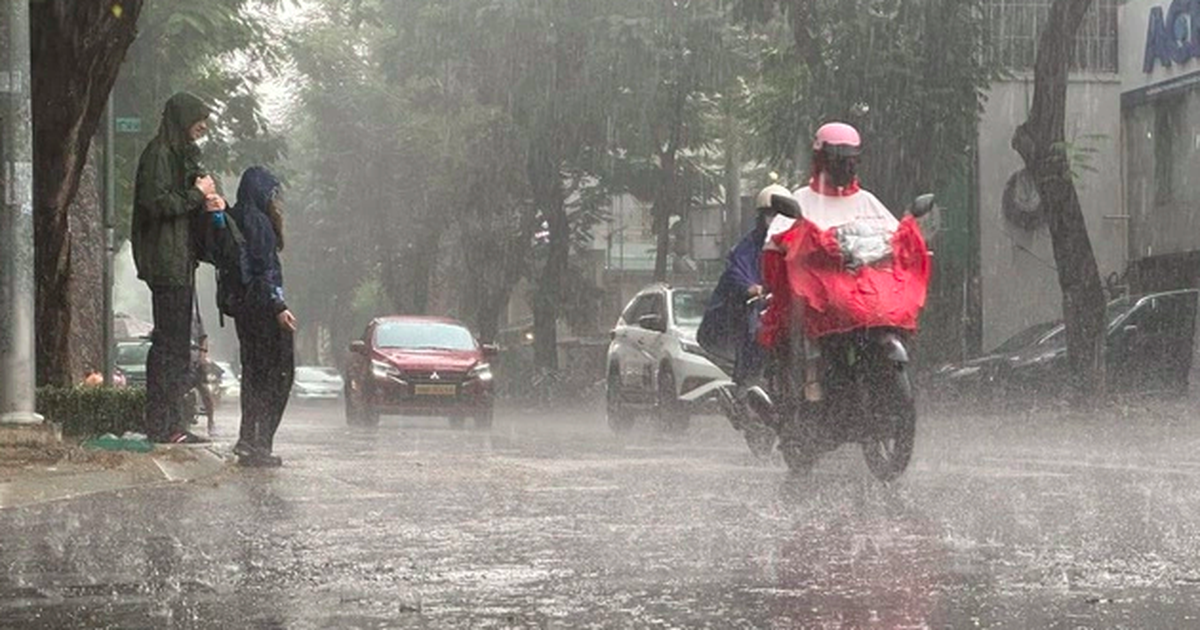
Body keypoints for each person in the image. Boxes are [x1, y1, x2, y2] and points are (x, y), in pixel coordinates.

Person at [759, 121, 901, 400]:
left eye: (851, 161)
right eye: (838, 160)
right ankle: (805, 388)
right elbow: (775, 244)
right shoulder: (801, 200)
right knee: (800, 331)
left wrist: (909, 242)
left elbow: (896, 237)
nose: (845, 167)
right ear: (821, 160)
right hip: (816, 301)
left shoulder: (867, 202)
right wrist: (796, 244)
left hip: (863, 299)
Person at [132, 92, 226, 444]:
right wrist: (196, 195)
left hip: (181, 260)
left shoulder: (182, 156)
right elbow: (156, 204)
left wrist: (209, 198)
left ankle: (173, 423)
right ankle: (163, 425)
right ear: (183, 119)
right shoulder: (159, 155)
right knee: (168, 347)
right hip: (166, 262)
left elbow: (189, 198)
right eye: (199, 120)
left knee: (176, 346)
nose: (203, 128)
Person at [699, 184, 798, 418]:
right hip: (763, 307)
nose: (776, 221)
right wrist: (752, 288)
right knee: (756, 329)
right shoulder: (748, 247)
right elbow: (737, 272)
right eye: (771, 215)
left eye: (783, 216)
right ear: (761, 217)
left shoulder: (800, 242)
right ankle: (749, 384)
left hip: (794, 309)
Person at [230, 166, 296, 468]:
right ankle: (261, 442)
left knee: (254, 374)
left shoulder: (235, 217)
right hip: (263, 308)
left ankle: (248, 438)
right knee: (277, 375)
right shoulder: (258, 223)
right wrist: (278, 306)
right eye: (273, 194)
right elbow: (263, 269)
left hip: (243, 308)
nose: (276, 201)